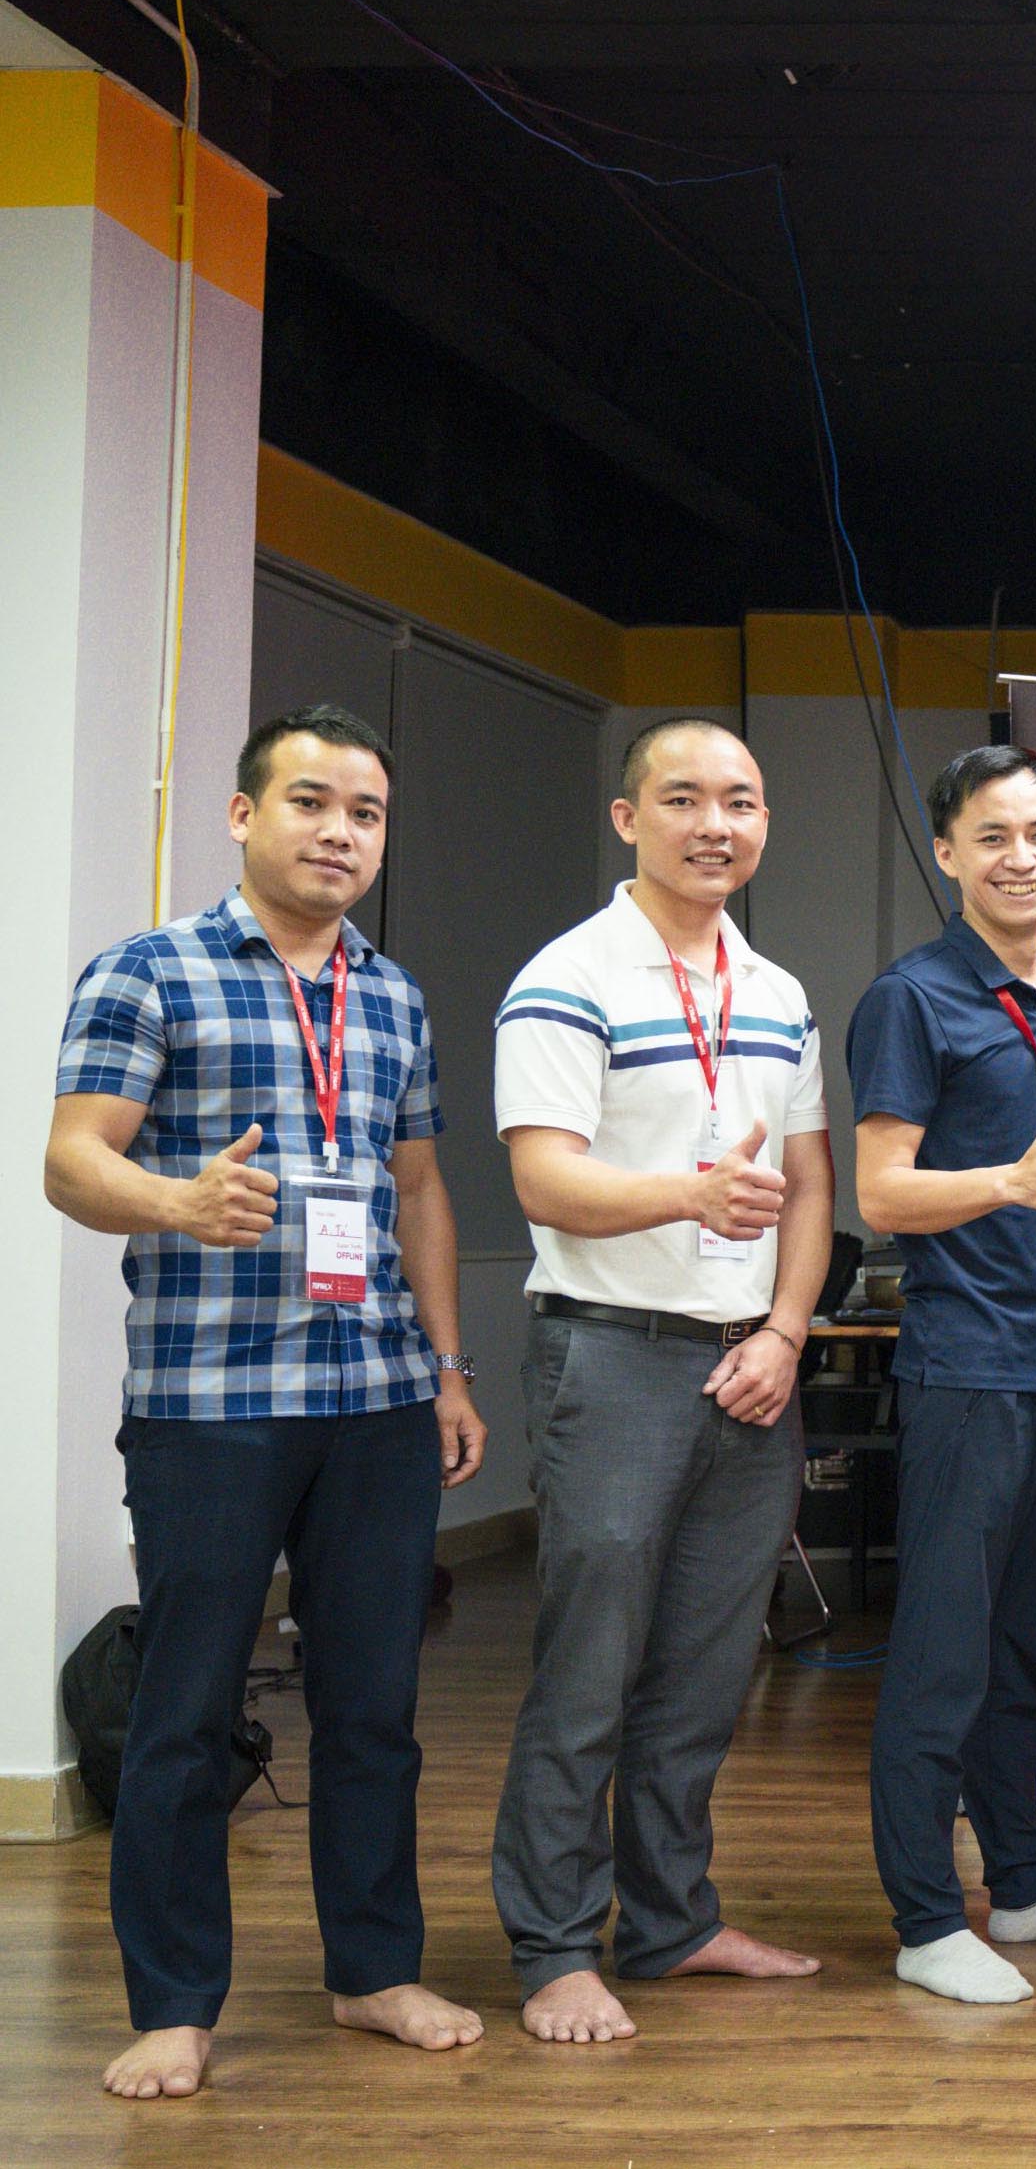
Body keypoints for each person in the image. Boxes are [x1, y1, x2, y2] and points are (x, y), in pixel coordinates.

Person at [49, 707, 490, 2100]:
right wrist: (176, 1199)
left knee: (375, 1707)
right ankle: (175, 2005)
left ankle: (374, 1970)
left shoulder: (393, 995)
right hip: (212, 1399)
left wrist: (448, 1367)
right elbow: (71, 1160)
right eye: (310, 802)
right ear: (243, 815)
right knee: (185, 1706)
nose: (339, 832)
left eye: (365, 812)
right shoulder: (147, 973)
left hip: (376, 1396)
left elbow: (418, 1187)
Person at [488, 717, 831, 2045]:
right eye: (682, 799)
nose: (714, 825)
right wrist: (687, 1194)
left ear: (764, 821)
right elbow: (542, 1177)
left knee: (703, 1671)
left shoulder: (778, 989)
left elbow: (809, 1182)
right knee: (590, 1668)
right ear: (628, 818)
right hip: (613, 1352)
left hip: (751, 1364)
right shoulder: (567, 976)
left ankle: (673, 1920)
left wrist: (786, 1332)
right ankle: (552, 1943)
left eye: (740, 801)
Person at [847, 745, 1036, 2004]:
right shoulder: (912, 996)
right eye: (992, 836)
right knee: (942, 1657)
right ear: (947, 852)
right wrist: (1006, 1181)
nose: (1020, 858)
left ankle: (1023, 1885)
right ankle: (926, 1918)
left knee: (1025, 1649)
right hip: (968, 1369)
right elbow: (881, 1192)